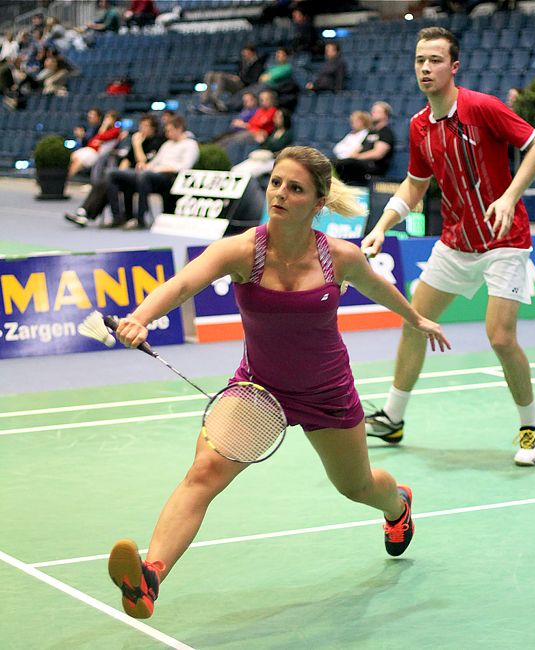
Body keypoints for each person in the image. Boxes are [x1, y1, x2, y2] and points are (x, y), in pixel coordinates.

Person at [107, 145, 450, 619]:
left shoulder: (340, 258)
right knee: (203, 474)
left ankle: (397, 506)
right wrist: (141, 317)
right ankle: (150, 577)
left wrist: (416, 319)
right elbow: (184, 284)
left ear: (318, 201)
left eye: (295, 188)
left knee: (357, 487)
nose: (280, 194)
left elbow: (378, 287)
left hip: (327, 392)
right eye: (275, 183)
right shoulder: (243, 249)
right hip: (257, 388)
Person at [361, 27, 535, 466]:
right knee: (414, 320)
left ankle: (531, 428)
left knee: (500, 337)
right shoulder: (419, 126)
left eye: (435, 60)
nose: (426, 68)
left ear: (454, 66)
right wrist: (383, 225)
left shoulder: (482, 108)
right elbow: (414, 185)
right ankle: (392, 417)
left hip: (504, 238)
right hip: (456, 240)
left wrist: (509, 196)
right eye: (420, 61)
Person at [65, 113, 164, 228]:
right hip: (128, 176)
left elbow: (143, 161)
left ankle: (86, 213)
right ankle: (97, 215)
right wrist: (121, 172)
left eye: (146, 126)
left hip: (144, 177)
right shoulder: (140, 138)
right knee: (108, 180)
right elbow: (127, 159)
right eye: (141, 126)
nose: (142, 129)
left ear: (153, 128)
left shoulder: (157, 142)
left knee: (110, 175)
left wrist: (137, 145)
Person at [106, 114, 199, 230]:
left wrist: (159, 169)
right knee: (113, 174)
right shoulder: (167, 144)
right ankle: (118, 217)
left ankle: (140, 219)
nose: (167, 134)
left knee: (144, 176)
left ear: (179, 128)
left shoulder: (190, 145)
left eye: (169, 131)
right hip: (152, 174)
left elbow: (185, 167)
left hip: (170, 178)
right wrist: (145, 165)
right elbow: (155, 162)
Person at [333, 101, 394, 184]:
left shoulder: (386, 133)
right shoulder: (371, 132)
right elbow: (360, 147)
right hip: (360, 163)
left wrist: (357, 157)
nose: (373, 113)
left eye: (377, 112)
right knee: (335, 162)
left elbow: (378, 153)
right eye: (373, 111)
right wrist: (351, 155)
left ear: (385, 115)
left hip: (373, 166)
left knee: (346, 163)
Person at [199, 44, 264, 113]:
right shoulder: (243, 62)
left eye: (246, 53)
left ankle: (215, 99)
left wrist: (240, 79)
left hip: (244, 86)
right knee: (210, 74)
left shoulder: (258, 63)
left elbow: (253, 78)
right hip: (237, 81)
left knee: (220, 76)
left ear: (252, 53)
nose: (244, 55)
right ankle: (205, 100)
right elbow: (239, 73)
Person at [230, 108, 294, 177]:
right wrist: (263, 142)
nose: (276, 119)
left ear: (285, 118)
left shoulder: (288, 133)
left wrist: (264, 141)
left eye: (279, 117)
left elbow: (278, 146)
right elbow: (265, 145)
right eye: (275, 117)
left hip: (273, 160)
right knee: (236, 169)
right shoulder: (274, 132)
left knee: (249, 173)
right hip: (262, 157)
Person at [68, 110, 121, 178]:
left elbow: (101, 137)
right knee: (72, 157)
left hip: (96, 152)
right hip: (90, 149)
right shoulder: (107, 129)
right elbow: (95, 139)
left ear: (113, 119)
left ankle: (66, 178)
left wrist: (104, 126)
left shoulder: (115, 130)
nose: (105, 120)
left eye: (108, 117)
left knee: (77, 162)